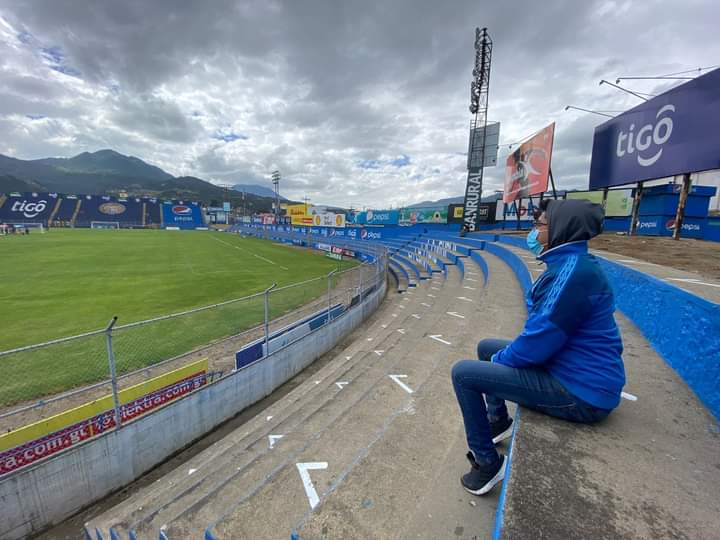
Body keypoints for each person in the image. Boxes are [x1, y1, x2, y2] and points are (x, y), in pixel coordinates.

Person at [451, 198, 626, 496]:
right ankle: (498, 421)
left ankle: (486, 464)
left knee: (464, 374)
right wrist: (499, 357)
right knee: (485, 347)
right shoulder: (571, 264)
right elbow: (541, 336)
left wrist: (500, 360)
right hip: (572, 369)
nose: (535, 232)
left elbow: (535, 345)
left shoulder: (572, 274)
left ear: (560, 229)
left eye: (540, 225)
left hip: (582, 393)